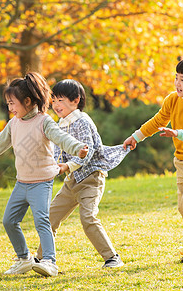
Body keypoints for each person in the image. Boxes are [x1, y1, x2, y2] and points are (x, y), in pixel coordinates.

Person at [0, 72, 89, 277]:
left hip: (41, 182)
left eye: (12, 104)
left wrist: (78, 147)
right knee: (9, 221)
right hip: (22, 183)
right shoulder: (14, 124)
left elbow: (61, 138)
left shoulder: (44, 121)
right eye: (8, 104)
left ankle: (49, 261)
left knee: (41, 220)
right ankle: (24, 258)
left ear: (27, 101)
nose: (10, 108)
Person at [123, 56, 183, 263]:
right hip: (182, 159)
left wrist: (177, 133)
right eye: (176, 77)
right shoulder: (172, 99)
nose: (177, 83)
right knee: (182, 205)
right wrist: (136, 137)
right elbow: (158, 120)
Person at [35, 79, 130, 268]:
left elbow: (89, 151)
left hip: (91, 179)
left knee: (88, 217)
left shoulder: (82, 121)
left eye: (60, 100)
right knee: (51, 217)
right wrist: (52, 167)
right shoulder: (60, 124)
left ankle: (112, 258)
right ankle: (41, 258)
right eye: (53, 101)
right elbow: (56, 151)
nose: (56, 105)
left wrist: (68, 166)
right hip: (72, 182)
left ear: (76, 100)